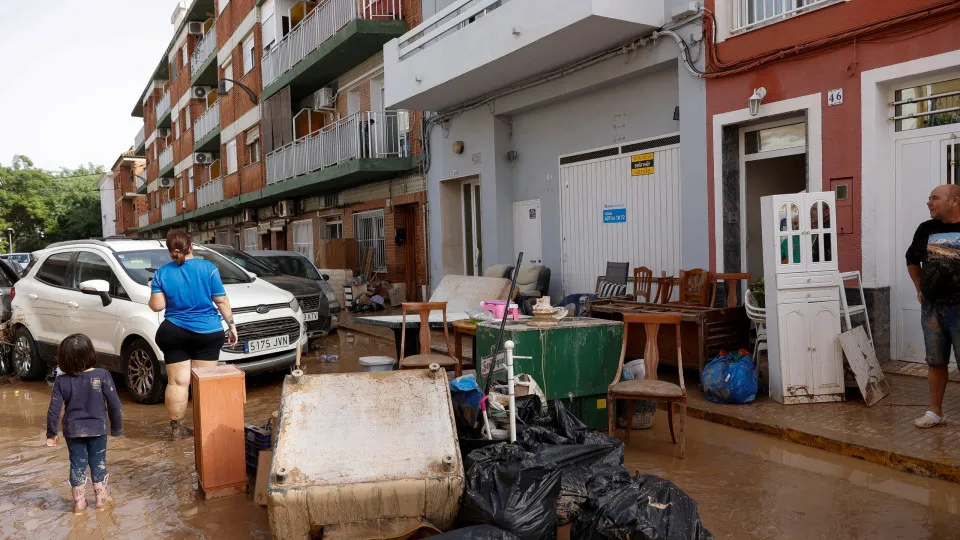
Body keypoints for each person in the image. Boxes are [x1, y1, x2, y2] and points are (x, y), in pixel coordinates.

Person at [150, 230, 239, 440]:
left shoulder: (161, 273)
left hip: (174, 332)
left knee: (177, 383)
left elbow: (157, 306)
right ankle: (203, 430)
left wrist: (154, 293)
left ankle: (176, 430)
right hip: (207, 332)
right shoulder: (208, 268)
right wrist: (232, 325)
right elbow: (221, 301)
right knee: (203, 382)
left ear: (170, 251)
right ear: (191, 247)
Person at [45, 334, 123, 514]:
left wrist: (51, 433)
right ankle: (101, 499)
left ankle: (79, 503)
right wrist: (117, 428)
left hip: (73, 432)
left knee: (77, 464)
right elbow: (115, 404)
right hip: (98, 430)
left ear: (63, 360)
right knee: (98, 463)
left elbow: (53, 410)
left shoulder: (61, 381)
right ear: (91, 354)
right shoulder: (102, 375)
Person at [906, 184, 960, 428]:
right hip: (932, 308)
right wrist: (919, 287)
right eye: (929, 198)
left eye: (935, 198)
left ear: (955, 201)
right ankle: (935, 412)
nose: (929, 203)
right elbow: (912, 259)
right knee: (936, 361)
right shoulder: (926, 229)